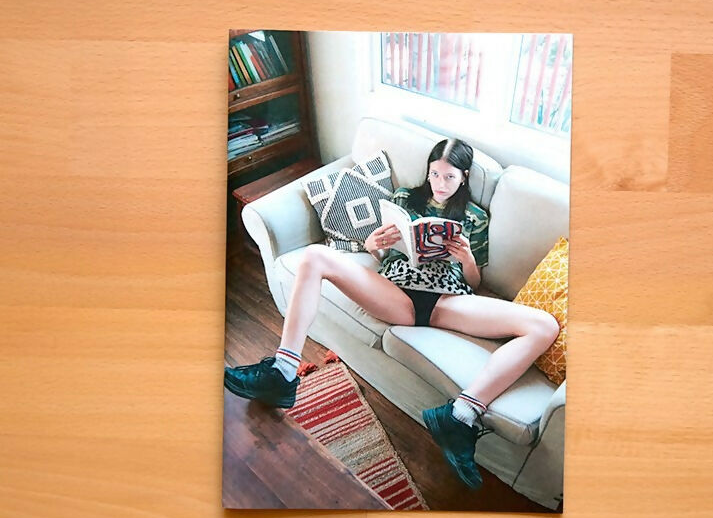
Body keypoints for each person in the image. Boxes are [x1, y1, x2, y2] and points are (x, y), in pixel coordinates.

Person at [224, 138, 559, 489]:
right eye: (434, 174)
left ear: (464, 177)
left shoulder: (476, 217)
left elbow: (473, 282)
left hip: (448, 299)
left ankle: (460, 415)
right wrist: (373, 246)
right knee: (314, 257)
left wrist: (467, 259)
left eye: (449, 177)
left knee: (543, 325)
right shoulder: (404, 198)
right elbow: (383, 254)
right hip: (397, 293)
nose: (440, 183)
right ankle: (282, 371)